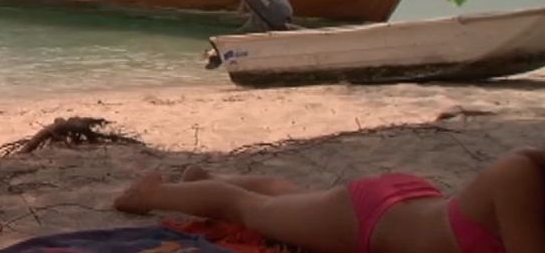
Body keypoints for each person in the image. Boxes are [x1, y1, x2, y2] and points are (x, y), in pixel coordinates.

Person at [114, 149, 545, 253]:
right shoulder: (520, 174)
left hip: (408, 202)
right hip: (369, 218)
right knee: (247, 209)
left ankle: (204, 179)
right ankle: (152, 193)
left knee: (291, 198)